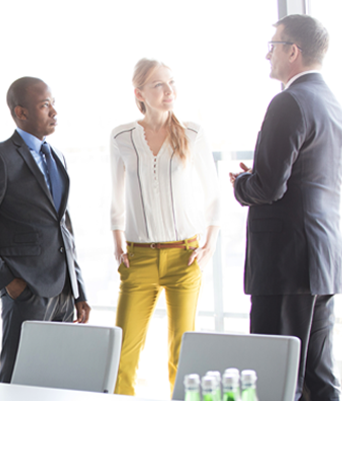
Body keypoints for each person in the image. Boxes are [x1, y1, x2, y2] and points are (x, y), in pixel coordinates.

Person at [230, 14, 342, 401]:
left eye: (274, 46)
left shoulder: (289, 100)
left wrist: (242, 184)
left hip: (285, 262)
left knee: (275, 377)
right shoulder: (331, 103)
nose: (268, 56)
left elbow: (267, 187)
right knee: (317, 375)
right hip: (321, 259)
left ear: (293, 51)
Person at [0, 77, 90, 383]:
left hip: (64, 291)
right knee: (15, 379)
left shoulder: (57, 157)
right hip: (27, 291)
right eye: (45, 105)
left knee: (57, 378)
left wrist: (78, 289)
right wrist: (8, 283)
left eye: (53, 103)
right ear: (21, 112)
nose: (54, 112)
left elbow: (63, 228)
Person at [110, 59, 221, 396]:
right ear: (139, 92)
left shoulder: (192, 133)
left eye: (171, 83)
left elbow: (214, 195)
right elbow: (115, 198)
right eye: (158, 84)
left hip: (184, 257)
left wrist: (209, 247)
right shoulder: (121, 136)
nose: (168, 90)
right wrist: (117, 244)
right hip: (138, 258)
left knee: (181, 352)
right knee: (122, 353)